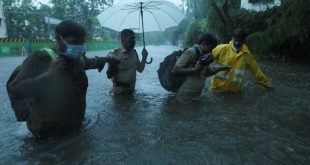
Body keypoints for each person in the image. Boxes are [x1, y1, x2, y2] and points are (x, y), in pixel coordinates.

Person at [6, 20, 119, 139]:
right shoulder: (40, 58)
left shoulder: (77, 59)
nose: (78, 47)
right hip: (47, 137)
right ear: (59, 39)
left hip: (75, 130)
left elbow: (91, 62)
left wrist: (107, 59)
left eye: (81, 43)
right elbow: (15, 90)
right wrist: (48, 75)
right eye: (74, 43)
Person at [210, 28, 272, 92]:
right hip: (217, 90)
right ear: (232, 38)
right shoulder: (221, 48)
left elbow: (257, 72)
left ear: (244, 41)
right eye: (236, 40)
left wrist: (267, 84)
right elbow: (206, 60)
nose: (237, 43)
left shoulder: (247, 55)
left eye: (240, 41)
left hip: (234, 91)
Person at [172, 33, 230, 103]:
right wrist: (194, 70)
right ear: (204, 43)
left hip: (196, 96)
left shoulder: (203, 56)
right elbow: (175, 70)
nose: (211, 51)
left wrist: (221, 68)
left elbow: (206, 73)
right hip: (185, 95)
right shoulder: (191, 52)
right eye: (211, 48)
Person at [106, 29, 148, 95]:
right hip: (119, 93)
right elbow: (109, 76)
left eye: (134, 38)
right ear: (123, 39)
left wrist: (144, 57)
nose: (133, 41)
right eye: (131, 38)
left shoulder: (134, 53)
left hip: (132, 92)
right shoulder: (114, 54)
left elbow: (140, 69)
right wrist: (112, 64)